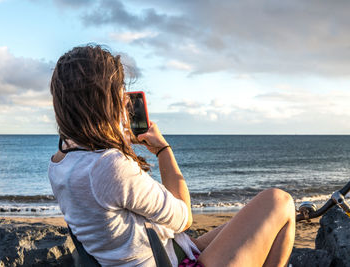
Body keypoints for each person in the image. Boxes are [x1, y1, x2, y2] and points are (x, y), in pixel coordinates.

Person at [48, 45, 296, 267]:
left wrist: (116, 137)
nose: (126, 102)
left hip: (170, 251)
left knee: (247, 224)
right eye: (121, 96)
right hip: (172, 261)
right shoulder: (109, 166)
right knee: (278, 201)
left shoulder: (61, 162)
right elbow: (184, 217)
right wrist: (163, 150)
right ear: (106, 103)